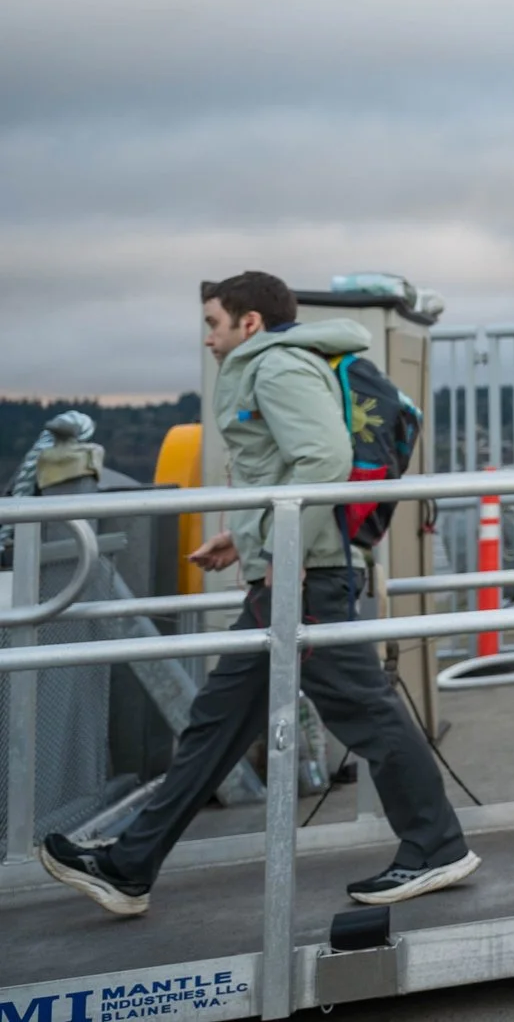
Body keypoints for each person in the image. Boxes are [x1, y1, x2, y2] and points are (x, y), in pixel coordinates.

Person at [39, 271, 475, 917]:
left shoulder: (274, 365)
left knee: (365, 712)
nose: (209, 338)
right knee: (216, 724)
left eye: (214, 322)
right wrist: (246, 543)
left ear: (249, 322)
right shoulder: (277, 363)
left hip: (308, 575)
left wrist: (283, 552)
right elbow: (286, 467)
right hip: (291, 571)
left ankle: (437, 844)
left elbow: (322, 460)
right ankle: (130, 866)